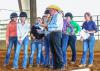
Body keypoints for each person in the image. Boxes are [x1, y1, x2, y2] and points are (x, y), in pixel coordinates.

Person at [41, 5, 64, 70]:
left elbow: (56, 25)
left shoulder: (58, 16)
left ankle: (61, 65)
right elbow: (51, 27)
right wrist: (46, 26)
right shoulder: (53, 16)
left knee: (57, 49)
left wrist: (47, 25)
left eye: (50, 10)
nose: (49, 11)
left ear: (54, 10)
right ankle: (56, 65)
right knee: (53, 50)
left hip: (56, 33)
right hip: (52, 33)